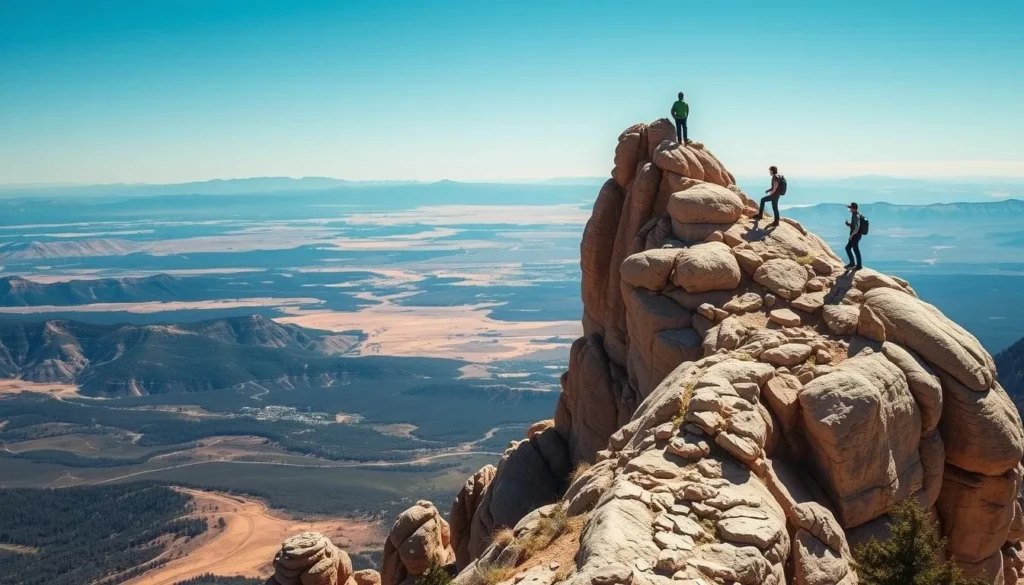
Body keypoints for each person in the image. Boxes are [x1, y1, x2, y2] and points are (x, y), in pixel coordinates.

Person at [845, 202, 863, 270]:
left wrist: (851, 236)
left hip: (855, 235)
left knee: (853, 249)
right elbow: (854, 225)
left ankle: (857, 265)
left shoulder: (856, 215)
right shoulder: (857, 214)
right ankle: (854, 264)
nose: (849, 209)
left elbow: (857, 227)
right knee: (850, 248)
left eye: (850, 208)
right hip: (857, 235)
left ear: (853, 208)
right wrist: (848, 224)